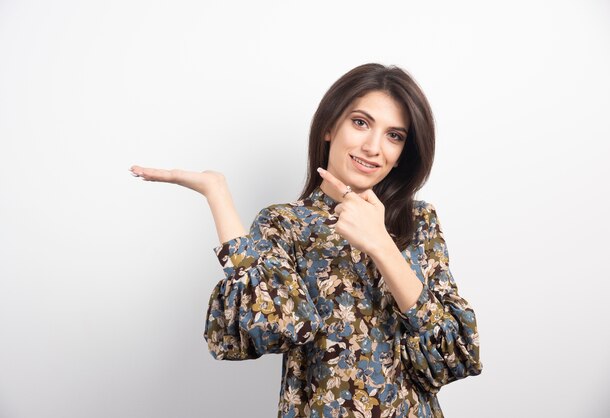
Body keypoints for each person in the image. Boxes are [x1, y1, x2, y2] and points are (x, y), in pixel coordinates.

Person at [130, 63, 483, 417]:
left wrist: (381, 245)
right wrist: (217, 194)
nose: (374, 147)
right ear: (330, 126)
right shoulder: (285, 224)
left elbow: (455, 357)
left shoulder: (418, 222)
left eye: (395, 135)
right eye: (360, 123)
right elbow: (268, 326)